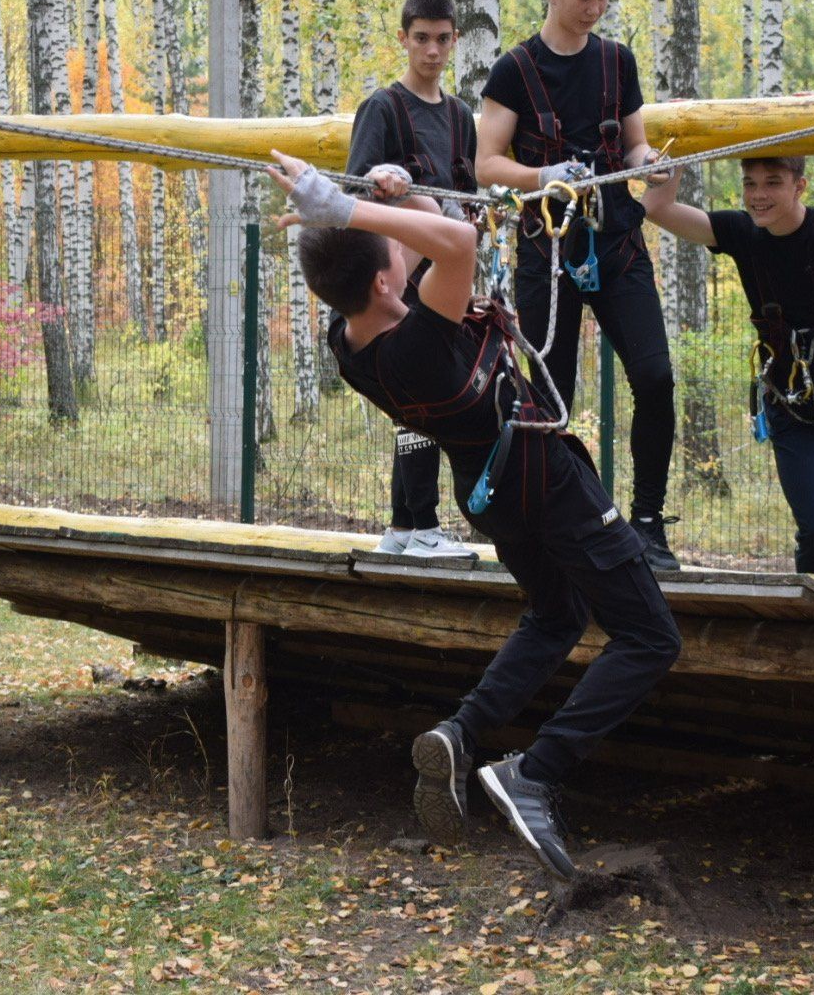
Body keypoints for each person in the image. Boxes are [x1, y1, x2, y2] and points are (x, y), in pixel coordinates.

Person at [264, 149, 681, 881]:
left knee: (556, 616)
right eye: (397, 248)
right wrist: (349, 211)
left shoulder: (353, 342)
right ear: (391, 278)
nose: (408, 245)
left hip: (491, 492)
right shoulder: (422, 338)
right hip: (546, 479)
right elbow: (456, 247)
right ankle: (536, 772)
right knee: (650, 636)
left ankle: (463, 732)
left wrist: (394, 201)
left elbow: (443, 242)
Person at [475, 0, 681, 571]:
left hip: (617, 241)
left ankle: (647, 521)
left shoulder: (618, 62)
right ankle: (568, 524)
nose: (595, 9)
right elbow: (486, 162)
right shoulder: (515, 69)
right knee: (552, 395)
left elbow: (638, 145)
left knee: (655, 378)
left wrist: (655, 165)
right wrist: (546, 175)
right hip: (548, 251)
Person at [642, 153, 814, 580]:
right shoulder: (741, 233)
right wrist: (674, 156)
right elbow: (658, 209)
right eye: (750, 183)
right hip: (792, 407)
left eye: (772, 182)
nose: (758, 195)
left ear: (800, 186)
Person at [345, 0, 479, 560]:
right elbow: (349, 192)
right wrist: (382, 176)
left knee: (418, 406)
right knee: (421, 400)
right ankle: (419, 523)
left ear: (455, 41)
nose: (432, 50)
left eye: (442, 39)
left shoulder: (458, 117)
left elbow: (465, 199)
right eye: (421, 38)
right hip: (394, 285)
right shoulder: (383, 107)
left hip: (446, 279)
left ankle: (406, 525)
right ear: (403, 39)